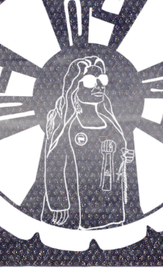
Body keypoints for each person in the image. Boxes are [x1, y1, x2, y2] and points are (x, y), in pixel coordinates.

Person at [38, 54, 135, 230]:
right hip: (77, 209)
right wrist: (58, 203)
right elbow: (54, 163)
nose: (99, 85)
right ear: (75, 86)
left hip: (110, 205)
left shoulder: (109, 119)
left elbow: (117, 151)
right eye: (90, 81)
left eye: (102, 80)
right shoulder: (66, 122)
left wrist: (124, 157)